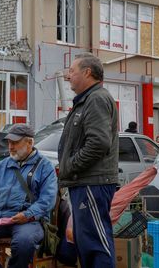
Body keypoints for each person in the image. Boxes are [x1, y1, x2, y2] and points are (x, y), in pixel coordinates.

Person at [58, 53, 119, 268]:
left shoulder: (96, 99)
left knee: (96, 244)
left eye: (72, 71)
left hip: (92, 183)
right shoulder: (87, 100)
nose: (68, 76)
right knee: (86, 243)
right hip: (84, 183)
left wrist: (71, 165)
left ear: (87, 73)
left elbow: (99, 143)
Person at [0, 124, 57, 268]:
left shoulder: (45, 166)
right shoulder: (2, 165)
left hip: (29, 221)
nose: (10, 146)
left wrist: (28, 214)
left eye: (15, 142)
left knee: (24, 242)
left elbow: (48, 199)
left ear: (29, 142)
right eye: (9, 142)